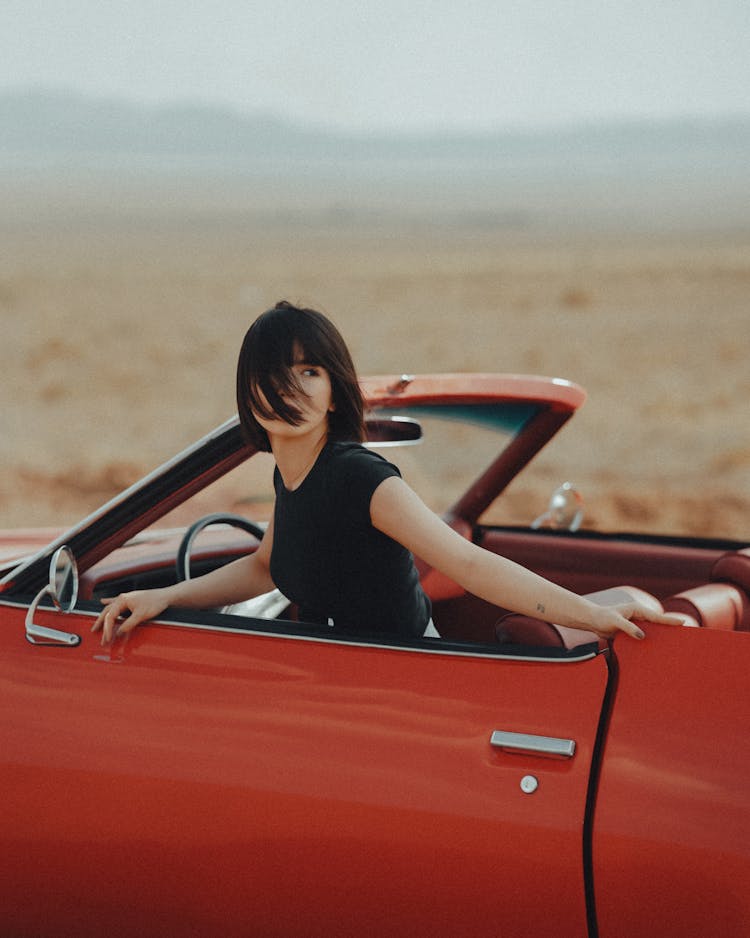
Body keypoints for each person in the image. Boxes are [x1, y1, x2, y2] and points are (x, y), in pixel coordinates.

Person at [93, 300, 679, 645]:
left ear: (334, 389)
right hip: (342, 678)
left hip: (405, 684)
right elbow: (264, 566)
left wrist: (593, 615)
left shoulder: (361, 479)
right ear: (248, 392)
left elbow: (469, 564)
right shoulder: (291, 477)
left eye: (310, 372)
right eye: (272, 374)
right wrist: (162, 597)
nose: (289, 389)